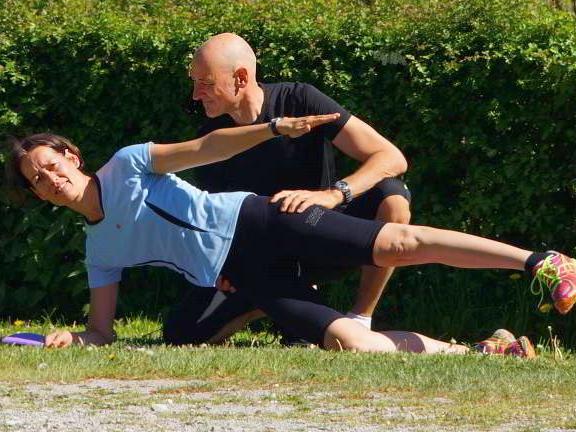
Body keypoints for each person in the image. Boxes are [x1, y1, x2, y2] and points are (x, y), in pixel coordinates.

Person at [6, 122, 576, 355]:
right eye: (37, 181)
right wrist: (72, 338)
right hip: (243, 277)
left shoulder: (129, 164)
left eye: (51, 165)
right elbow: (102, 331)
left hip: (259, 221)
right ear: (37, 194)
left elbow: (209, 149)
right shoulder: (97, 248)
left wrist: (272, 129)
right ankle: (485, 350)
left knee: (395, 243)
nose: (49, 179)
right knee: (353, 347)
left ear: (71, 156)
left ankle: (541, 262)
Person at [164, 32, 411, 345]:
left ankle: (360, 318)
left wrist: (334, 194)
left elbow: (391, 157)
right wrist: (219, 265)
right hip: (267, 259)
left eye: (206, 83)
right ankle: (276, 306)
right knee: (181, 334)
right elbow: (216, 224)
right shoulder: (211, 139)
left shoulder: (300, 100)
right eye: (194, 82)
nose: (196, 94)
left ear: (240, 78)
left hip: (325, 234)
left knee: (392, 195)